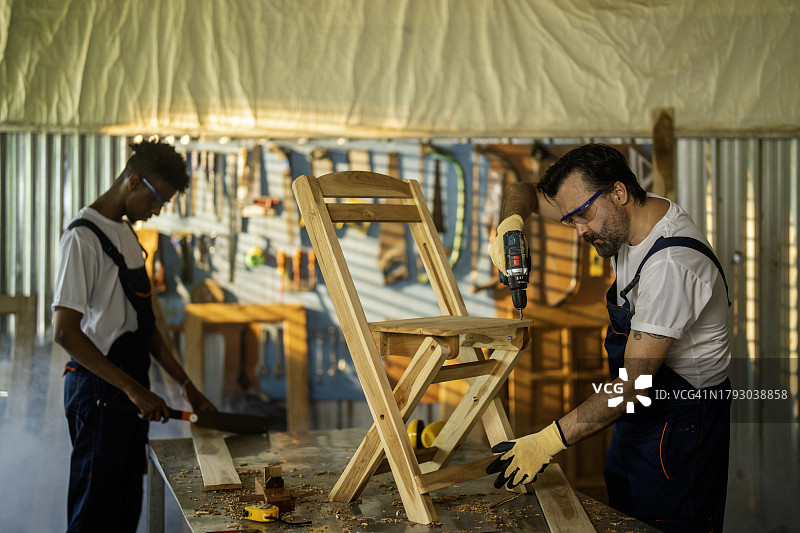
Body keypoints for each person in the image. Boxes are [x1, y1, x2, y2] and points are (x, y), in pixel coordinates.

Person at [486, 144, 732, 532]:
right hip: (637, 413)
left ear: (619, 193)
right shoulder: (627, 221)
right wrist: (511, 223)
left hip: (681, 424)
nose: (579, 230)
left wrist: (548, 441)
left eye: (583, 214)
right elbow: (526, 190)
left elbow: (634, 384)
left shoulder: (670, 265)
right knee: (626, 514)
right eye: (570, 219)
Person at [52, 140, 217, 533]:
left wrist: (185, 384)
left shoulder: (127, 234)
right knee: (95, 514)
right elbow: (65, 332)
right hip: (98, 391)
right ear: (134, 182)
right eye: (157, 199)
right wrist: (133, 390)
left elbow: (146, 329)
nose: (157, 211)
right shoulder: (82, 239)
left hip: (128, 390)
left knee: (126, 509)